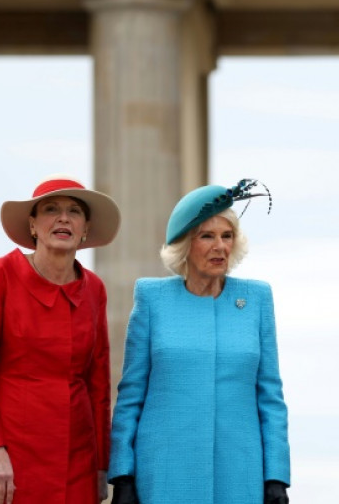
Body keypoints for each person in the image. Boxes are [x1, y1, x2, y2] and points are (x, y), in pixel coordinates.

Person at [108, 179, 290, 504]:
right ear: (185, 244)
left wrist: (276, 476)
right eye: (207, 236)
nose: (219, 246)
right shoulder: (152, 298)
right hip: (163, 474)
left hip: (241, 473)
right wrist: (122, 474)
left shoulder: (257, 299)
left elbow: (271, 397)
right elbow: (131, 394)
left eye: (227, 236)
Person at [0, 176, 121, 504]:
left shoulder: (95, 289)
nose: (63, 218)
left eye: (74, 211)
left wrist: (101, 465)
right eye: (51, 209)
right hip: (5, 455)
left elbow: (98, 385)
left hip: (76, 457)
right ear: (32, 225)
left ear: (85, 228)